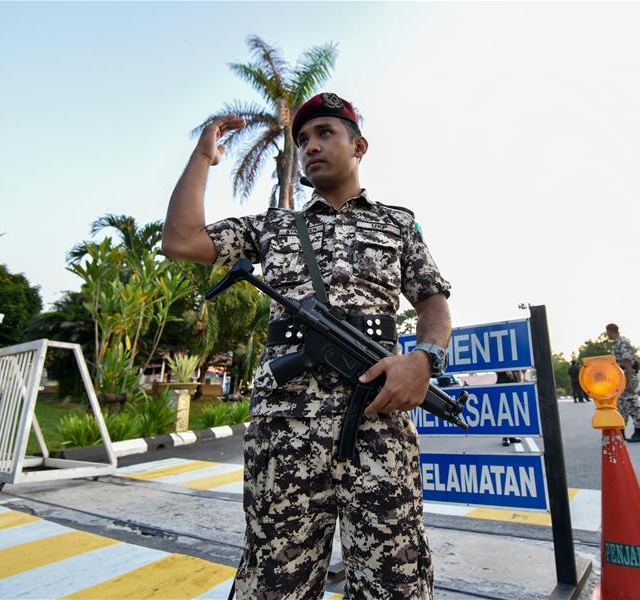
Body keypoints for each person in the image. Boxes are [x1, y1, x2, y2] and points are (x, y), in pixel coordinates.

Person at [162, 92, 452, 598]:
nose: (310, 146)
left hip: (378, 423)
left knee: (396, 582)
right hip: (285, 431)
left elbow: (433, 303)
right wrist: (202, 157)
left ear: (359, 146)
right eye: (302, 140)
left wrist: (424, 360)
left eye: (324, 133)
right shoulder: (273, 226)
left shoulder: (398, 224)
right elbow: (181, 240)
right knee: (274, 583)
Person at [605, 323, 640, 442]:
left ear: (610, 331)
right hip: (621, 378)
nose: (607, 335)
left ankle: (639, 432)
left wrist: (629, 381)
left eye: (607, 332)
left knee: (631, 404)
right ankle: (621, 432)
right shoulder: (617, 343)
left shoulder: (622, 343)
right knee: (622, 405)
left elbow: (627, 362)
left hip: (626, 377)